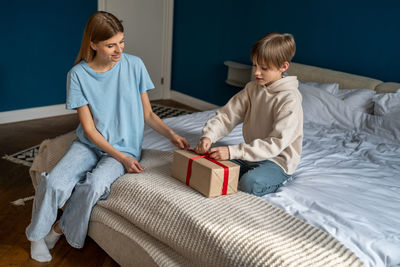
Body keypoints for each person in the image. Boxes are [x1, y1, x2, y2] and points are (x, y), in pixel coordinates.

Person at [26, 11, 189, 262]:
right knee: (55, 182)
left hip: (125, 148)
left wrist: (171, 135)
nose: (119, 50)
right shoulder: (78, 75)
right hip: (89, 144)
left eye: (122, 42)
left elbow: (148, 114)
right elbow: (90, 130)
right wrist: (121, 158)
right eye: (111, 45)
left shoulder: (134, 65)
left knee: (94, 185)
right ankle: (36, 235)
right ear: (93, 44)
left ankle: (57, 230)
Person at [195, 32, 303, 197]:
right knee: (210, 164)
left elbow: (275, 144)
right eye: (255, 65)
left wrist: (232, 152)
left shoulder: (290, 99)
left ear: (284, 67)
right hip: (252, 155)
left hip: (277, 161)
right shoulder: (252, 89)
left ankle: (274, 180)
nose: (257, 73)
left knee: (248, 183)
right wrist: (208, 136)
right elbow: (227, 116)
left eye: (264, 68)